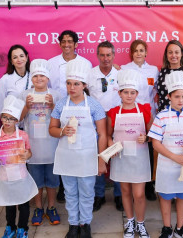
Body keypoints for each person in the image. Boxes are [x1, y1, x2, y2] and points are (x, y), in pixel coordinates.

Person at [49, 58, 107, 238]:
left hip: (87, 156)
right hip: (67, 156)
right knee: (70, 192)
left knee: (87, 192)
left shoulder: (94, 105)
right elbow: (52, 129)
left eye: (76, 84)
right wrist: (62, 131)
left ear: (84, 85)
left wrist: (101, 160)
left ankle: (85, 223)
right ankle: (73, 224)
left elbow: (103, 134)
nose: (71, 87)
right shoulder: (60, 104)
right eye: (68, 83)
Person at [148, 71, 183, 238]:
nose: (180, 100)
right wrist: (175, 157)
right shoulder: (161, 117)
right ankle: (166, 227)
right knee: (165, 196)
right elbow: (156, 143)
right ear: (170, 97)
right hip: (167, 166)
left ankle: (180, 228)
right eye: (177, 96)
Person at [107, 69, 152, 238]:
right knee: (125, 191)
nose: (129, 96)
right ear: (120, 93)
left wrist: (145, 138)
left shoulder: (145, 110)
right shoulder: (113, 112)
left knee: (139, 193)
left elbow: (152, 134)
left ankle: (140, 223)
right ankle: (130, 221)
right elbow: (109, 134)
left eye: (132, 93)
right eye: (126, 92)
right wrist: (111, 145)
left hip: (139, 157)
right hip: (121, 157)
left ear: (137, 94)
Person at [0, 95, 38, 238]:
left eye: (11, 118)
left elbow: (29, 152)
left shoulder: (23, 135)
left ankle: (22, 228)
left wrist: (27, 155)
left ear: (17, 120)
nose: (7, 121)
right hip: (5, 177)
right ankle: (10, 227)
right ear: (1, 117)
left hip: (21, 175)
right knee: (9, 205)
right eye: (5, 117)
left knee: (23, 204)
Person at [20, 59, 61, 226]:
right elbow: (18, 119)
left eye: (42, 76)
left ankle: (51, 207)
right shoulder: (24, 95)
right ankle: (38, 207)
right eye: (35, 76)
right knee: (36, 179)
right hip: (33, 145)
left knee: (52, 180)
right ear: (31, 79)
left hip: (52, 143)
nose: (39, 79)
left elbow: (62, 118)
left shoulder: (56, 95)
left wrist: (52, 106)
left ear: (48, 78)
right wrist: (26, 107)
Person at [86, 40, 123, 212]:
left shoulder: (121, 74)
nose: (106, 58)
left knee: (116, 155)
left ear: (114, 55)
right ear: (97, 56)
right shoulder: (90, 74)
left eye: (109, 55)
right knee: (98, 156)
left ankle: (119, 195)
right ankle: (98, 195)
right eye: (102, 55)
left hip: (116, 120)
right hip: (96, 121)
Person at [121, 39, 159, 201]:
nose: (138, 53)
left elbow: (156, 90)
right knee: (132, 146)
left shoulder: (153, 70)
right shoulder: (124, 69)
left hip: (149, 114)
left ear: (146, 53)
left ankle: (149, 184)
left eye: (141, 50)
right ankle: (130, 181)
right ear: (131, 53)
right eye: (136, 50)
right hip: (130, 114)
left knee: (149, 148)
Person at [48, 30, 92, 98]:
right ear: (60, 44)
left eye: (70, 41)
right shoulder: (51, 63)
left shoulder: (85, 64)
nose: (66, 45)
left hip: (78, 105)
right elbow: (47, 86)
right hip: (55, 104)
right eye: (63, 42)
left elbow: (88, 87)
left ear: (76, 44)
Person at [156, 40, 183, 113]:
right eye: (170, 52)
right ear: (166, 54)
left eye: (176, 52)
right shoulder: (162, 72)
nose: (173, 55)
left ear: (181, 54)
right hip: (163, 116)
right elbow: (159, 96)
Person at [0, 44, 31, 116]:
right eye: (15, 57)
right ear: (11, 61)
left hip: (32, 119)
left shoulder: (35, 76)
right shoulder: (5, 79)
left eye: (21, 56)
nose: (19, 60)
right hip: (13, 120)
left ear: (26, 57)